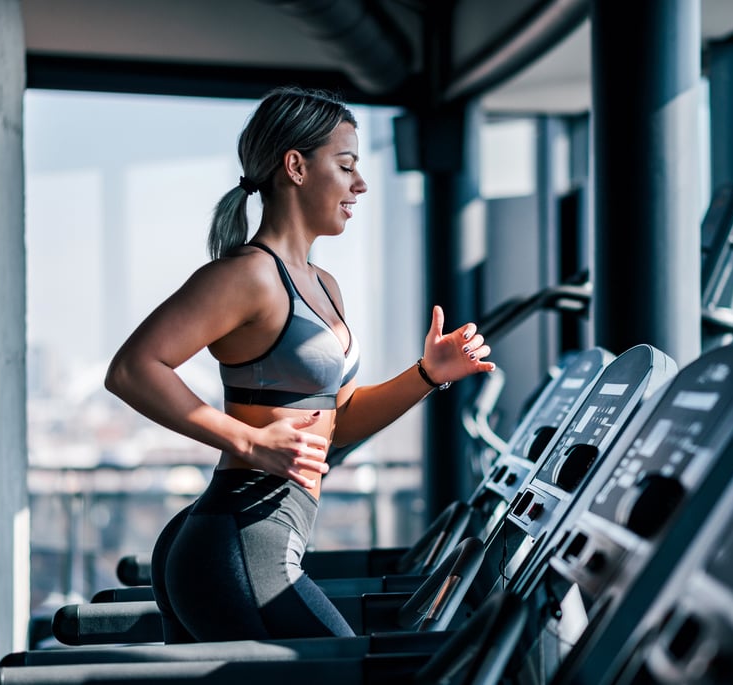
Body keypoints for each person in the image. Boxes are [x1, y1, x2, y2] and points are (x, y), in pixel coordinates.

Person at [105, 86, 495, 643]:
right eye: (346, 165)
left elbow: (339, 423)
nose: (360, 184)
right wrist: (247, 440)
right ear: (296, 166)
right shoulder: (247, 276)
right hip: (241, 539)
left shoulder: (324, 286)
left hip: (255, 536)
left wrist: (427, 374)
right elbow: (132, 368)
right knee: (349, 669)